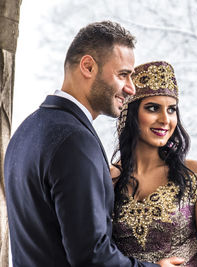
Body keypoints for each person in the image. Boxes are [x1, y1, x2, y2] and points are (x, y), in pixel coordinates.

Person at [4, 21, 183, 267]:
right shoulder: (74, 141)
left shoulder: (26, 131)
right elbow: (92, 257)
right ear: (88, 66)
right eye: (123, 75)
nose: (131, 88)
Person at [111, 61, 197, 266]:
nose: (165, 119)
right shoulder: (109, 179)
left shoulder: (196, 176)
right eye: (153, 108)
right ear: (129, 113)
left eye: (172, 110)